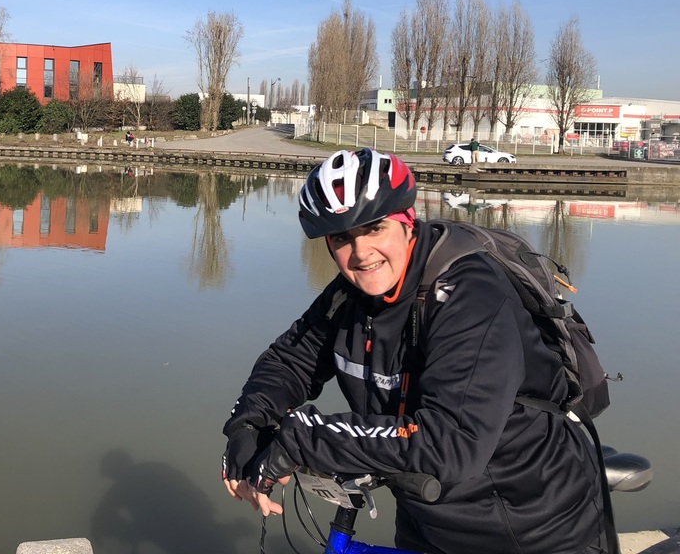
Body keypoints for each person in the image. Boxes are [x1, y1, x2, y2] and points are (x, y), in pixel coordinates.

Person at [221, 148, 608, 554]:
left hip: (532, 525)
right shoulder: (349, 295)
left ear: (407, 221)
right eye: (341, 238)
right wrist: (247, 427)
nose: (361, 253)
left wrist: (302, 438)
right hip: (426, 519)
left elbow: (452, 441)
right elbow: (290, 362)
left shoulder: (470, 293)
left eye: (375, 228)